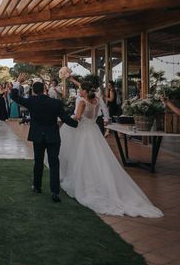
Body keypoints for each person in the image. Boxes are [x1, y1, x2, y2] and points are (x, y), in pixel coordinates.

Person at [59, 81, 163, 217]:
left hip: (84, 132)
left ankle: (85, 184)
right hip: (94, 131)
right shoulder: (97, 100)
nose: (79, 91)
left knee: (83, 158)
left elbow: (78, 118)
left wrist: (68, 118)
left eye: (80, 89)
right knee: (98, 158)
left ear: (85, 91)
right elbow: (96, 116)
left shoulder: (83, 102)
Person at [11, 73, 79, 203]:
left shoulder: (31, 101)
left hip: (37, 136)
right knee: (54, 164)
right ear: (44, 90)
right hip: (53, 136)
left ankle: (37, 187)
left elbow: (14, 96)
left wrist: (17, 82)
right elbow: (65, 118)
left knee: (38, 161)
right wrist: (77, 124)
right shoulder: (56, 103)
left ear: (33, 91)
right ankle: (55, 192)